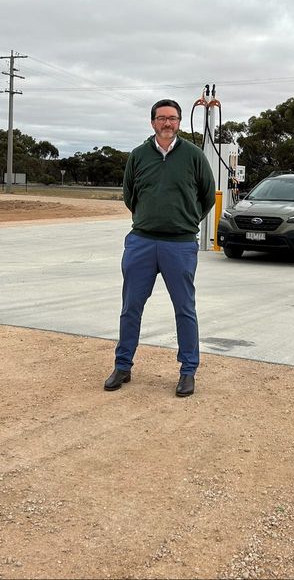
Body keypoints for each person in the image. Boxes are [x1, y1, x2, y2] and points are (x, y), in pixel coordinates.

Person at [104, 99, 216, 397]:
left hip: (179, 245)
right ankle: (123, 365)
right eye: (162, 118)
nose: (168, 123)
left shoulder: (193, 156)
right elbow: (130, 195)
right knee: (130, 308)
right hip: (141, 242)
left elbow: (207, 197)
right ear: (152, 122)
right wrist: (148, 218)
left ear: (179, 122)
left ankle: (188, 371)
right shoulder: (138, 156)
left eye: (173, 118)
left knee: (184, 309)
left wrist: (185, 220)